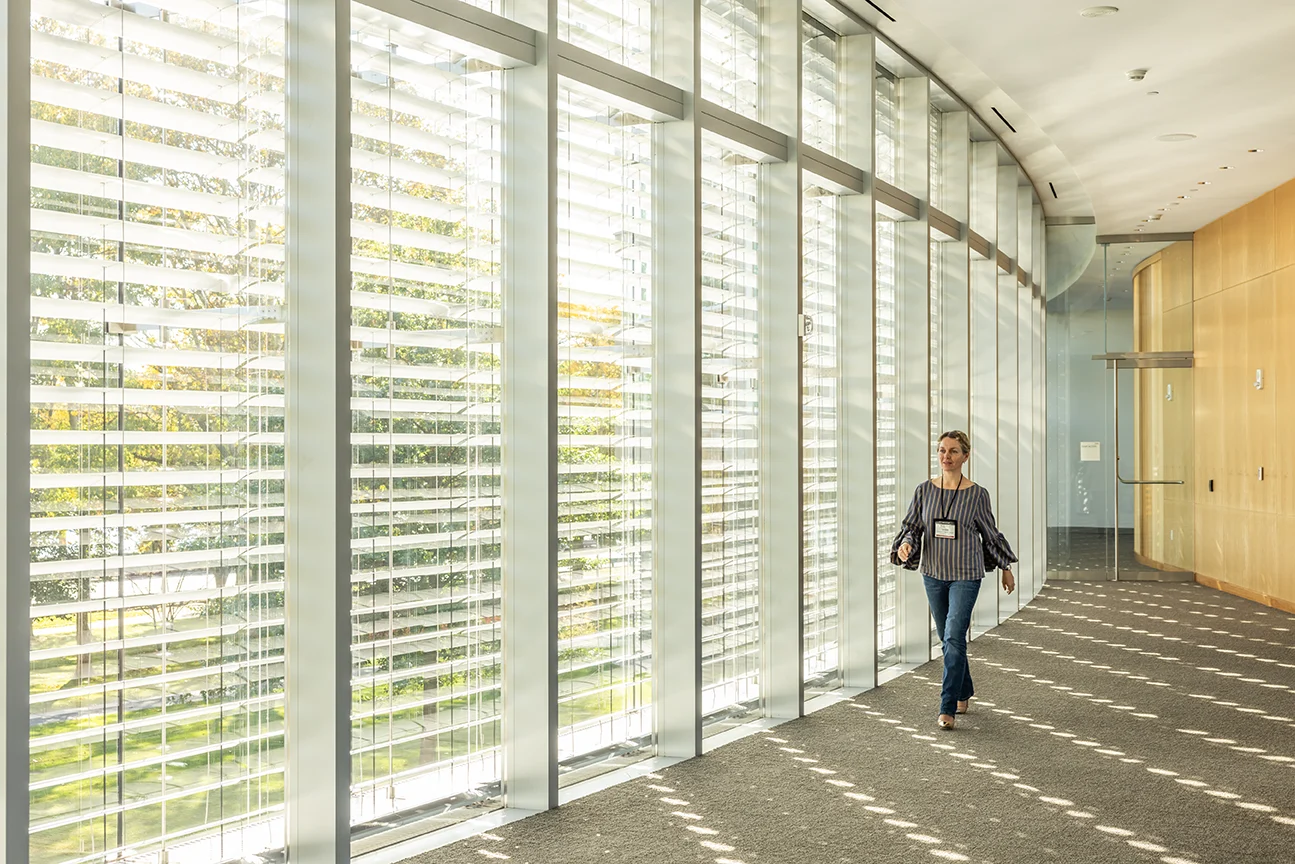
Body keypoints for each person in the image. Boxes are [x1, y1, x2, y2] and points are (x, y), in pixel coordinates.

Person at [891, 430, 1017, 731]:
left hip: (965, 574)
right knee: (950, 639)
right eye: (941, 450)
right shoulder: (924, 490)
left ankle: (947, 705)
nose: (946, 456)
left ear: (965, 456)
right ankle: (963, 690)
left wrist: (1005, 567)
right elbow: (912, 526)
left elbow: (990, 533)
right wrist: (906, 544)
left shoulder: (976, 494)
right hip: (933, 574)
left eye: (953, 451)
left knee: (953, 637)